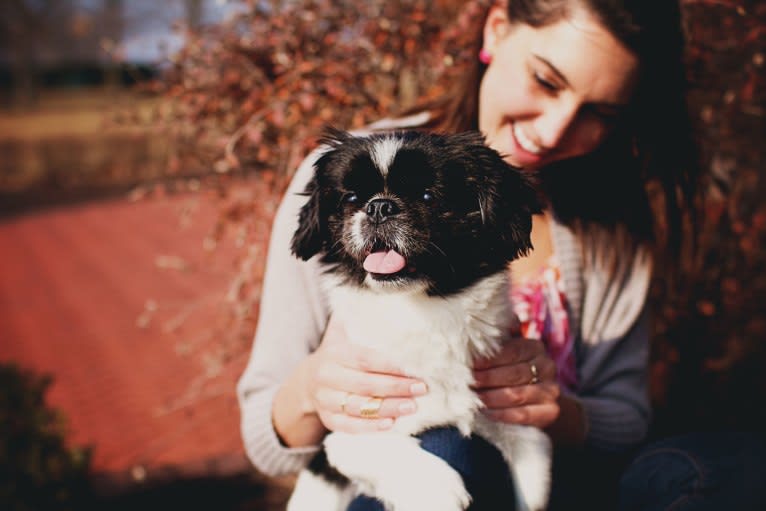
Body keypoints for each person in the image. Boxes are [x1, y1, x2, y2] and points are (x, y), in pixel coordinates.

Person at [237, 0, 766, 509]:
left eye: (598, 112)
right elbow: (265, 434)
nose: (555, 127)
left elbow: (629, 418)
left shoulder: (610, 226)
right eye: (546, 80)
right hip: (392, 485)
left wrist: (556, 412)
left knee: (730, 465)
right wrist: (318, 385)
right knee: (448, 449)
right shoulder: (342, 179)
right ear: (495, 30)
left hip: (557, 481)